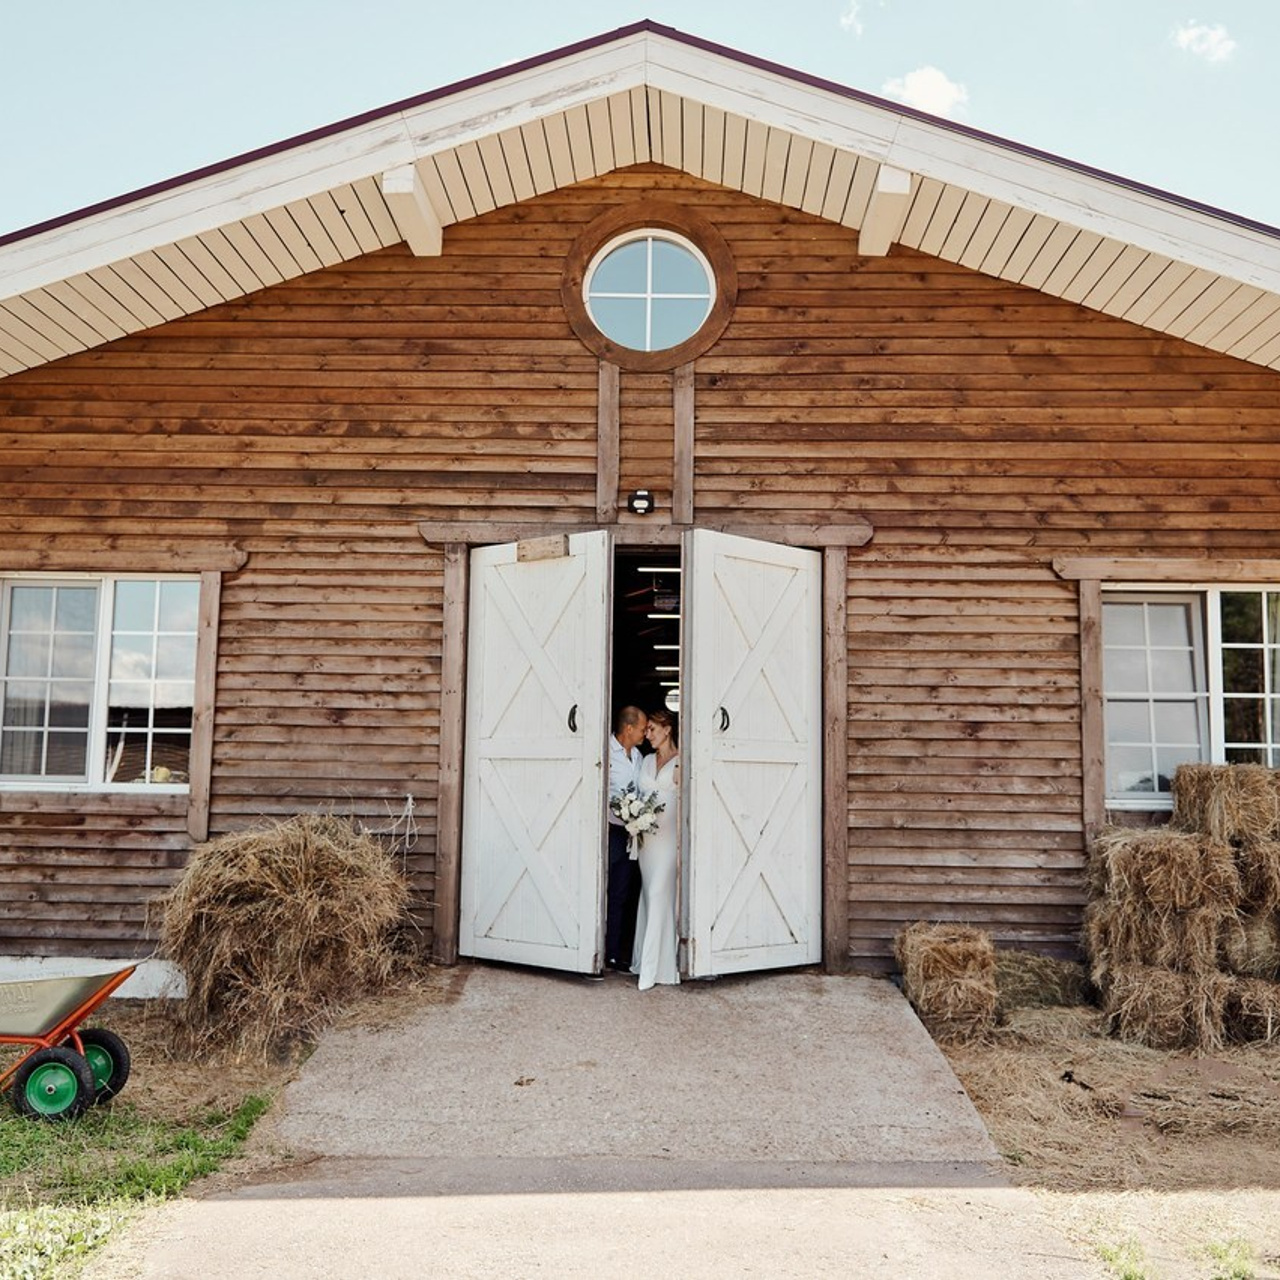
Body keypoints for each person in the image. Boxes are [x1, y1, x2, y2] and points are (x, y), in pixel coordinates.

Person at [631, 708, 680, 990]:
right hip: (647, 843)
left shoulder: (681, 761)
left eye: (652, 729)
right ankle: (645, 962)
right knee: (648, 897)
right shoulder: (647, 760)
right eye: (646, 729)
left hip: (668, 842)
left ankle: (653, 970)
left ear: (667, 729)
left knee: (659, 893)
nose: (647, 734)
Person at [606, 705, 647, 971]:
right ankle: (596, 949)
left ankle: (615, 953)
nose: (645, 733)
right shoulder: (605, 752)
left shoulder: (640, 756)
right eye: (643, 729)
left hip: (632, 833)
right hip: (610, 832)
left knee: (622, 893)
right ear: (628, 728)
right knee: (603, 891)